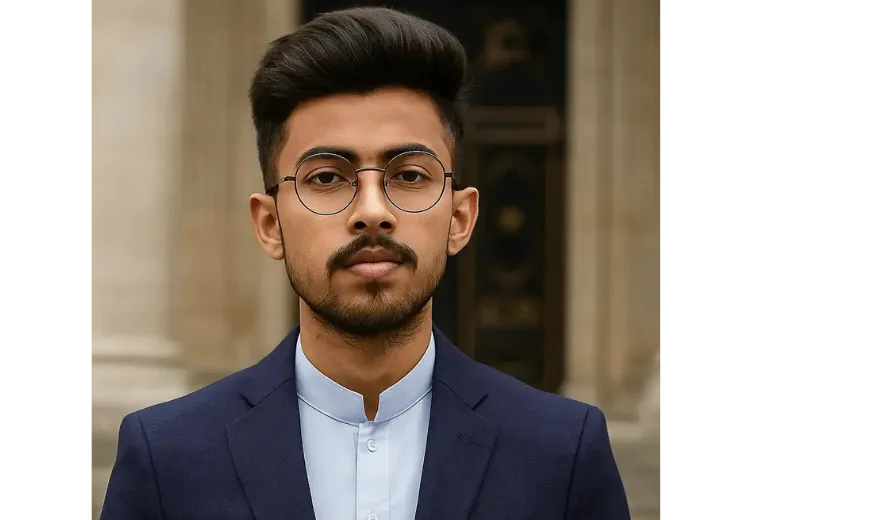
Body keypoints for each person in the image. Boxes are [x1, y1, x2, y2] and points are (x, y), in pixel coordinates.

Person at [100, 7, 630, 520]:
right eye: (327, 178)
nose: (373, 212)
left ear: (461, 218)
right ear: (268, 224)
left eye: (410, 176)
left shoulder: (561, 453)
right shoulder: (168, 457)